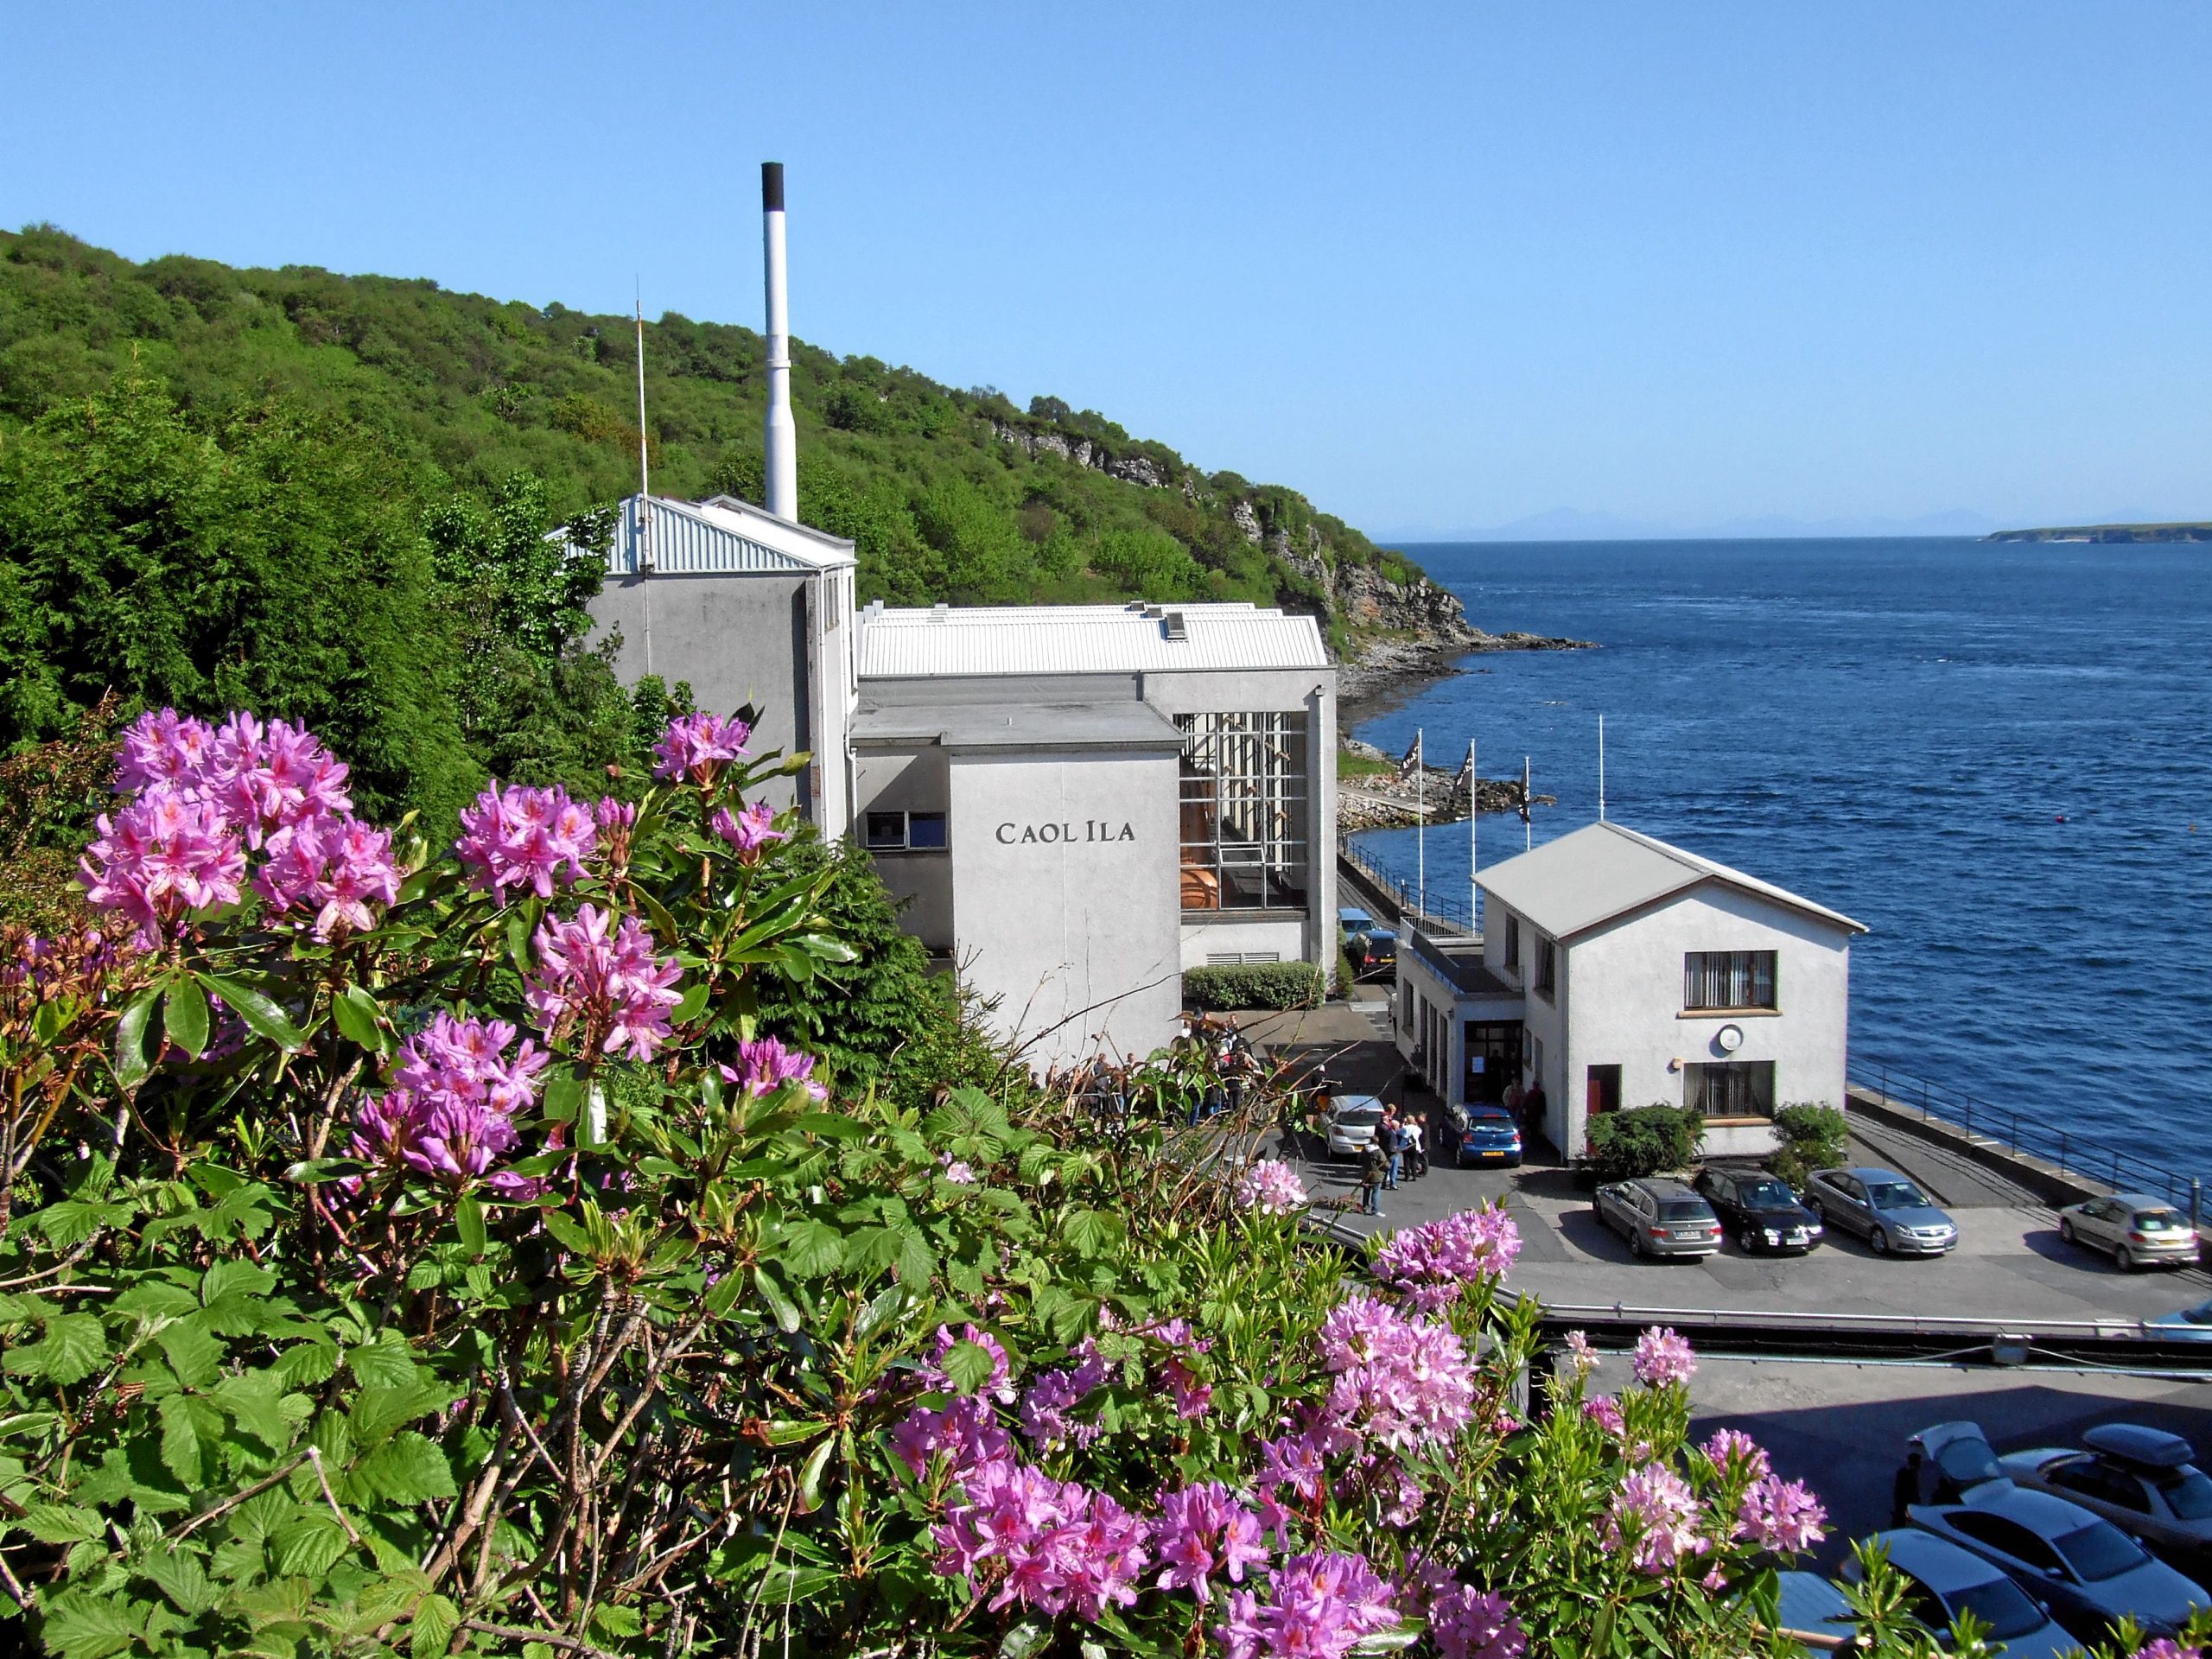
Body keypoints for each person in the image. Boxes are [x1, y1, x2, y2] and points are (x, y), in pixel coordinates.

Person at [1891, 1448, 1925, 1526]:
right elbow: (1901, 1492)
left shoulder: (1912, 1474)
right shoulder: (1905, 1474)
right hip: (1905, 1507)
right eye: (1919, 1463)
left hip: (1907, 1506)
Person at [1359, 1138, 1387, 1217]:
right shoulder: (1379, 1152)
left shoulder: (1365, 1150)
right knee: (1376, 1192)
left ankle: (1364, 1207)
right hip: (1376, 1175)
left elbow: (1359, 1159)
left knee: (1366, 1192)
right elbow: (1385, 1164)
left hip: (1366, 1174)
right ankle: (1375, 1210)